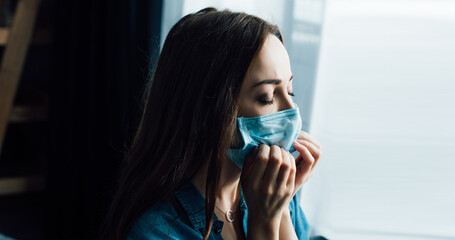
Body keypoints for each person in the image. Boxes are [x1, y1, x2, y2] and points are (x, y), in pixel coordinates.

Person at [100, 7, 322, 240]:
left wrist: (283, 211)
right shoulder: (157, 231)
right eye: (266, 97)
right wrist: (264, 223)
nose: (291, 112)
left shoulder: (273, 193)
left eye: (290, 91)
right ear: (207, 109)